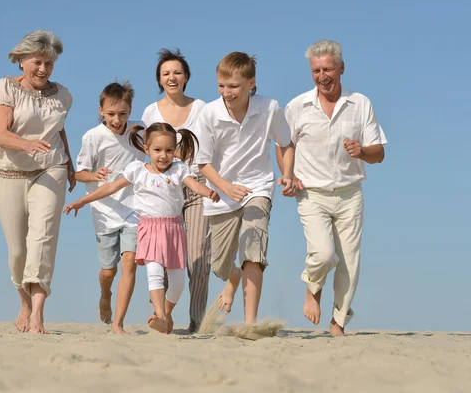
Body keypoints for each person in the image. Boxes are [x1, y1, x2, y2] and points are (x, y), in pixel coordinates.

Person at [64, 123, 220, 334]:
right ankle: (161, 316)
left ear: (175, 150)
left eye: (168, 150)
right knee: (154, 274)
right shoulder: (137, 170)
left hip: (174, 230)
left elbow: (194, 185)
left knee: (177, 285)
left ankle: (165, 312)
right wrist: (82, 201)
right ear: (146, 149)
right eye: (157, 150)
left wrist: (208, 192)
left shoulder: (178, 170)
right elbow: (110, 187)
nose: (163, 156)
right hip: (149, 229)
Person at [277, 40, 386, 336]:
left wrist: (362, 151)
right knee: (324, 254)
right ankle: (312, 287)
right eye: (316, 70)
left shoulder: (360, 104)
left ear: (341, 69)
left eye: (327, 69)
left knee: (349, 263)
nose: (322, 76)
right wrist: (289, 174)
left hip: (350, 193)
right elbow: (284, 144)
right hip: (311, 194)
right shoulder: (297, 106)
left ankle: (338, 322)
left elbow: (379, 153)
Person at [194, 52, 295, 323]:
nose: (227, 92)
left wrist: (287, 173)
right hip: (222, 193)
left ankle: (249, 323)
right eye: (221, 86)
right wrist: (226, 187)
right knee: (219, 265)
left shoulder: (270, 107)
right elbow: (202, 163)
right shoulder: (209, 113)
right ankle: (233, 278)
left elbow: (285, 143)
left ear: (251, 83)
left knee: (253, 250)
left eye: (233, 86)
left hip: (257, 189)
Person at [0, 30, 76, 334]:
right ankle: (23, 300)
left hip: (50, 170)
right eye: (38, 62)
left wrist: (71, 164)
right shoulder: (4, 88)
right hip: (8, 173)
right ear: (22, 60)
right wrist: (27, 144)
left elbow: (59, 130)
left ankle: (38, 312)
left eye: (49, 64)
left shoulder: (63, 94)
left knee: (42, 239)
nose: (43, 70)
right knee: (17, 251)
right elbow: (1, 133)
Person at [141, 48, 210, 334]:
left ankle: (196, 321)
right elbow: (146, 153)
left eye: (177, 72)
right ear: (159, 78)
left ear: (186, 77)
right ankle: (163, 317)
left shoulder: (202, 108)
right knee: (161, 258)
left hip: (194, 188)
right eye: (166, 73)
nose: (172, 77)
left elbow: (211, 147)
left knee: (197, 258)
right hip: (163, 193)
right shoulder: (150, 111)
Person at [75, 81, 145, 334]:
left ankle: (118, 322)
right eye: (111, 114)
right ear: (101, 111)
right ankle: (105, 293)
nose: (117, 120)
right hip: (103, 212)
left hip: (134, 208)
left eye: (123, 113)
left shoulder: (139, 131)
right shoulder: (93, 137)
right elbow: (78, 173)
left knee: (130, 263)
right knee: (109, 271)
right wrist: (93, 176)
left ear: (130, 110)